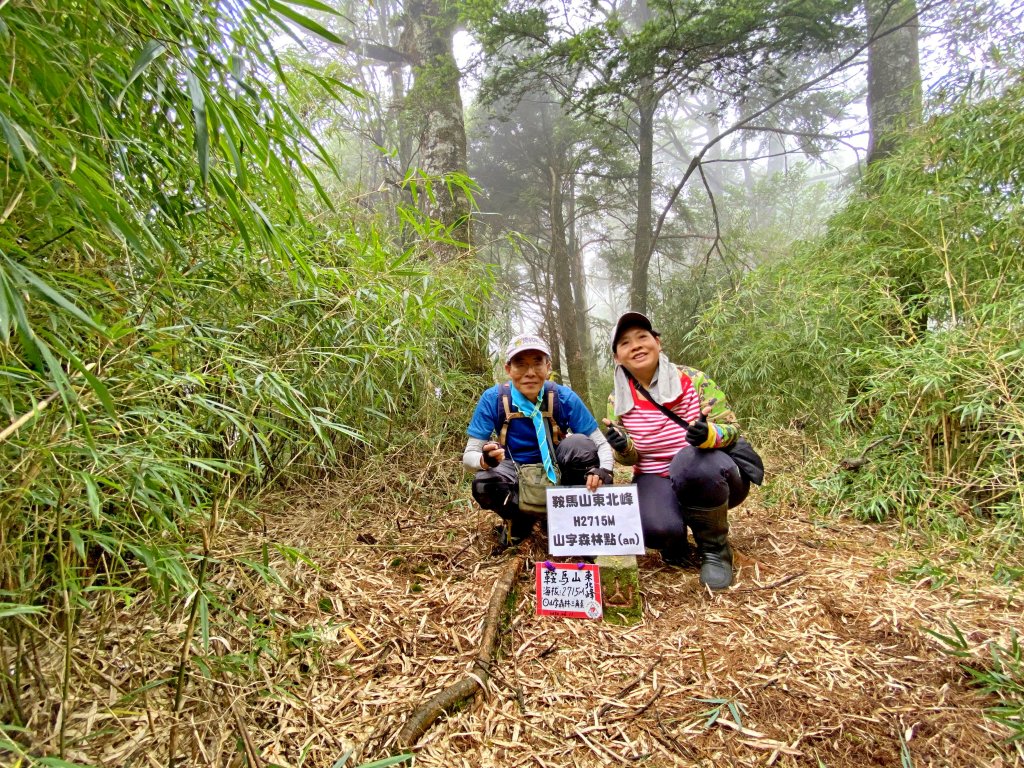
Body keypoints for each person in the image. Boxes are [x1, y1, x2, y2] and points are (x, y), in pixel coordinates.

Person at [603, 311, 752, 590]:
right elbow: (630, 458)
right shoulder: (617, 398)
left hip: (707, 473)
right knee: (655, 530)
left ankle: (715, 550)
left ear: (657, 342)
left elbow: (731, 427)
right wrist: (623, 448)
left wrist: (709, 434)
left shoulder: (693, 380)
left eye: (642, 337)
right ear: (617, 357)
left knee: (689, 461)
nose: (635, 345)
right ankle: (676, 540)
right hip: (655, 475)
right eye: (625, 343)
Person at [463, 333, 614, 544]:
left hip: (559, 469)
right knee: (484, 482)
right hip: (515, 471)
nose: (530, 373)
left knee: (580, 445)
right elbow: (469, 456)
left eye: (537, 363)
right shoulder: (494, 399)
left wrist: (604, 470)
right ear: (508, 369)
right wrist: (484, 461)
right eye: (521, 365)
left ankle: (567, 517)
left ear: (548, 367)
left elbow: (600, 443)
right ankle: (521, 520)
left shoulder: (564, 397)